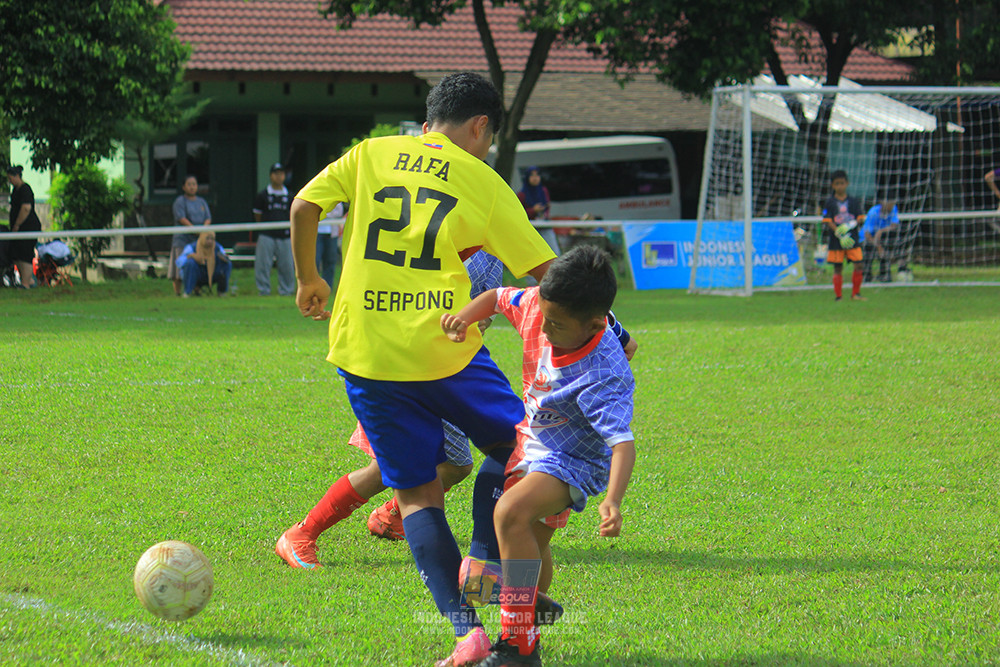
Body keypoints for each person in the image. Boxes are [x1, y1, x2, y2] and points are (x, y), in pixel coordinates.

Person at [289, 72, 556, 667]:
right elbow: (549, 274)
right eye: (488, 138)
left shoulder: (370, 153)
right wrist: (614, 331)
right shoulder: (480, 181)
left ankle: (467, 634)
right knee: (527, 451)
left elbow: (305, 203)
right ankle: (485, 561)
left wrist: (309, 278)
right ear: (480, 125)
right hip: (444, 346)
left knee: (416, 496)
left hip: (366, 352)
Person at [440, 245, 636, 667]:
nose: (544, 329)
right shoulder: (537, 305)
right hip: (534, 442)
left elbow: (622, 443)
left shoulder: (605, 372)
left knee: (509, 515)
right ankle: (528, 606)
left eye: (558, 325)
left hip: (576, 460)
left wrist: (613, 500)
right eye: (544, 316)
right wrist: (464, 318)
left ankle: (518, 646)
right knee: (531, 542)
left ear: (596, 324)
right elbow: (495, 298)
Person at [821, 170, 866, 302]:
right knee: (837, 267)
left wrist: (850, 225)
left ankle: (856, 294)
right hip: (837, 241)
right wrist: (838, 232)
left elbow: (861, 217)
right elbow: (827, 220)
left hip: (852, 239)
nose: (840, 186)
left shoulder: (853, 201)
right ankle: (838, 296)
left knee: (858, 264)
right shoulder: (829, 202)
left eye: (842, 183)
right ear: (832, 185)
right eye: (837, 184)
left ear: (847, 183)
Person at [253, 162, 295, 296]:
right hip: (267, 236)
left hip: (285, 236)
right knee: (263, 265)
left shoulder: (290, 196)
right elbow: (257, 214)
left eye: (281, 174)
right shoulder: (263, 195)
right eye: (276, 174)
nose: (279, 176)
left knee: (287, 265)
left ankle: (287, 291)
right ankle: (263, 290)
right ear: (271, 176)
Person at [170, 175, 212, 296]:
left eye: (194, 184)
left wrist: (203, 231)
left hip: (198, 241)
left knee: (196, 263)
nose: (192, 187)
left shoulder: (202, 202)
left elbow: (208, 218)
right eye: (189, 184)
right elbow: (181, 218)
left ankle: (195, 289)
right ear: (184, 187)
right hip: (182, 239)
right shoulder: (179, 201)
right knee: (180, 265)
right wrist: (194, 229)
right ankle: (178, 292)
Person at [6, 165, 42, 288]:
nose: (9, 181)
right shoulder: (16, 190)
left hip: (28, 227)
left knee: (25, 255)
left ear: (17, 176)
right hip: (18, 229)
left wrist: (17, 224)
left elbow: (26, 208)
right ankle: (27, 280)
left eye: (10, 178)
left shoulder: (25, 189)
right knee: (16, 254)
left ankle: (26, 283)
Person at [517, 167, 560, 256]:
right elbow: (519, 213)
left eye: (537, 175)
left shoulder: (543, 191)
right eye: (532, 175)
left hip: (545, 225)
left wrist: (545, 208)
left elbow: (546, 205)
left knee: (554, 252)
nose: (535, 178)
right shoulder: (522, 194)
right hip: (531, 228)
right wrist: (533, 210)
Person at [176, 231, 232, 297]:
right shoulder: (192, 247)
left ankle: (222, 291)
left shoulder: (217, 247)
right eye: (207, 238)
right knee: (190, 263)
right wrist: (191, 256)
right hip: (197, 273)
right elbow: (179, 262)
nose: (210, 241)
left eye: (212, 239)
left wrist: (224, 258)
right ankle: (187, 292)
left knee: (227, 264)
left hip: (213, 273)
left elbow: (225, 257)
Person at [860, 199, 900, 283]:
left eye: (892, 204)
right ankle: (866, 276)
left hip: (880, 237)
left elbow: (894, 226)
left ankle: (885, 275)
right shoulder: (873, 212)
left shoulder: (893, 209)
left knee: (886, 247)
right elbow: (866, 233)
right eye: (889, 204)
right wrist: (878, 246)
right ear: (882, 203)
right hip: (867, 238)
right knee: (868, 250)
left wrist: (880, 231)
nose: (891, 206)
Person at [315, 201, 345, 288]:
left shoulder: (336, 198)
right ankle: (315, 286)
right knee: (315, 260)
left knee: (330, 261)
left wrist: (323, 213)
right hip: (317, 234)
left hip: (332, 234)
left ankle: (327, 287)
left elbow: (339, 211)